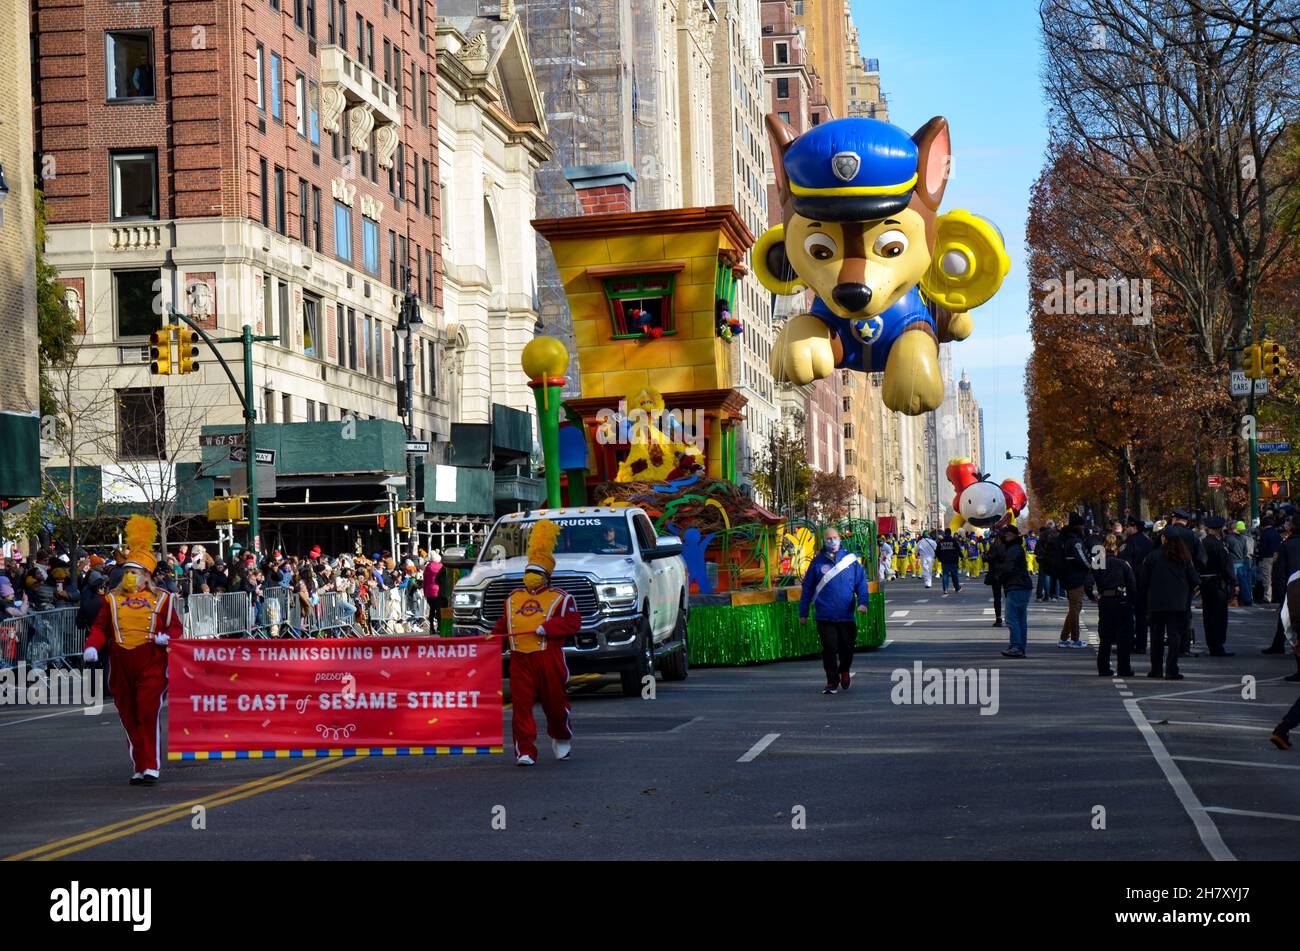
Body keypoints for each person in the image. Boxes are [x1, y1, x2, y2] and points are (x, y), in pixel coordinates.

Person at [82, 516, 182, 785]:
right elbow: (101, 627)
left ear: (146, 575)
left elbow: (177, 630)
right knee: (129, 716)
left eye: (135, 571)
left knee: (147, 711)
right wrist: (92, 646)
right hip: (120, 665)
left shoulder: (163, 599)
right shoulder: (111, 599)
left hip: (151, 662)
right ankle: (140, 765)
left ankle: (150, 766)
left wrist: (166, 639)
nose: (129, 576)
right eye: (127, 571)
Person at [490, 519, 581, 765]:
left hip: (549, 658)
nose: (532, 578)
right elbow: (503, 627)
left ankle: (561, 737)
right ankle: (526, 750)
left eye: (537, 574)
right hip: (520, 660)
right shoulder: (513, 598)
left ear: (547, 577)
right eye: (529, 573)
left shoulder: (561, 598)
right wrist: (488, 645)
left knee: (555, 705)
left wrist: (548, 628)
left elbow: (573, 622)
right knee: (521, 706)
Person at [799, 527, 871, 694]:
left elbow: (861, 583)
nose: (832, 541)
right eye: (828, 538)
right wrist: (803, 613)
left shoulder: (851, 560)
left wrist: (863, 602)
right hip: (825, 615)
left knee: (847, 648)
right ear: (824, 541)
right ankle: (832, 681)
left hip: (846, 615)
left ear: (840, 538)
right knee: (829, 648)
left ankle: (844, 669)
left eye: (835, 537)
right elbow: (807, 588)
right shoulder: (817, 563)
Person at [1139, 530, 1200, 680]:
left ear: (1163, 539)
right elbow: (1194, 579)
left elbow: (1144, 581)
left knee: (1156, 636)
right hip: (1178, 603)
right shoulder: (1184, 556)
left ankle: (1156, 669)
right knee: (1174, 636)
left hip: (1156, 602)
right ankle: (1172, 669)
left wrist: (1143, 601)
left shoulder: (1152, 557)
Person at [1092, 533, 1136, 677]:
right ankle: (1124, 668)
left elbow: (1088, 581)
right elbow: (1132, 585)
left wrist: (1094, 595)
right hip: (1121, 600)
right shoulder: (1123, 563)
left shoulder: (1099, 562)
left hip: (1105, 600)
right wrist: (1131, 601)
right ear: (1117, 548)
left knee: (1105, 637)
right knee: (1124, 637)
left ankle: (1103, 668)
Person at [1268, 568, 1300, 749]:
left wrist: (1292, 640)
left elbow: (1285, 614)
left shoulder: (1294, 577)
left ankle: (1283, 728)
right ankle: (1283, 728)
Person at [1200, 516, 1238, 656]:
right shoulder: (1218, 545)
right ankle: (1218, 646)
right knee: (1219, 616)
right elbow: (1225, 565)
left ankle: (1212, 644)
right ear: (1218, 529)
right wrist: (1234, 582)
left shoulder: (1203, 542)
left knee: (1208, 616)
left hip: (1205, 583)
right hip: (1217, 583)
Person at [995, 524, 1033, 658]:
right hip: (1022, 586)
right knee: (1021, 619)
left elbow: (1008, 567)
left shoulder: (1013, 549)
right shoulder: (1017, 548)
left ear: (1012, 535)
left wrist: (997, 568)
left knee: (1012, 619)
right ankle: (1020, 646)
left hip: (1016, 585)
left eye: (1006, 535)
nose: (1004, 537)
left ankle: (1016, 646)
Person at [1057, 513, 1093, 648]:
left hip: (1068, 576)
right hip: (1076, 577)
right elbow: (1083, 559)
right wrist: (1092, 565)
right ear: (1079, 526)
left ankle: (1064, 637)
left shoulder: (1065, 538)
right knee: (1075, 608)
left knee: (1073, 608)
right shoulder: (1076, 541)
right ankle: (1075, 638)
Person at [1119, 518, 1153, 654]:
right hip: (1146, 583)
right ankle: (1141, 644)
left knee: (1128, 615)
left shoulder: (1130, 542)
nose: (1126, 529)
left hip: (1133, 582)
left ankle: (1129, 643)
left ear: (1134, 527)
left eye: (1128, 526)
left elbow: (1124, 563)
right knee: (1142, 616)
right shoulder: (1149, 542)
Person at [1224, 520, 1251, 607]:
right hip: (1241, 562)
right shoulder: (1243, 538)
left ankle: (1233, 599)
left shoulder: (1228, 538)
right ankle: (1243, 600)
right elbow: (1245, 551)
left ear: (1230, 529)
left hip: (1232, 562)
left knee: (1232, 582)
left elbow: (1226, 551)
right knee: (1242, 582)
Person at [985, 529, 1006, 626]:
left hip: (995, 574)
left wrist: (986, 557)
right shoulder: (1008, 547)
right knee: (1009, 596)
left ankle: (998, 619)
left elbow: (988, 557)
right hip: (1006, 574)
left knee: (997, 597)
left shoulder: (994, 546)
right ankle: (1010, 616)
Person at [1257, 517, 1282, 603]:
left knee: (1267, 578)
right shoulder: (1276, 533)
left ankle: (1267, 597)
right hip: (1276, 556)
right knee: (1275, 577)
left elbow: (1262, 548)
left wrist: (1259, 558)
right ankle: (1275, 596)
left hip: (1266, 557)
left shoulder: (1264, 534)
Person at [936, 529, 962, 595]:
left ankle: (945, 589)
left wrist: (939, 558)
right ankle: (957, 588)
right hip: (953, 561)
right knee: (954, 575)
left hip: (944, 561)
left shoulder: (941, 542)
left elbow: (937, 551)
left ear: (945, 533)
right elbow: (958, 550)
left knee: (945, 575)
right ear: (950, 533)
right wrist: (962, 556)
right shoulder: (954, 541)